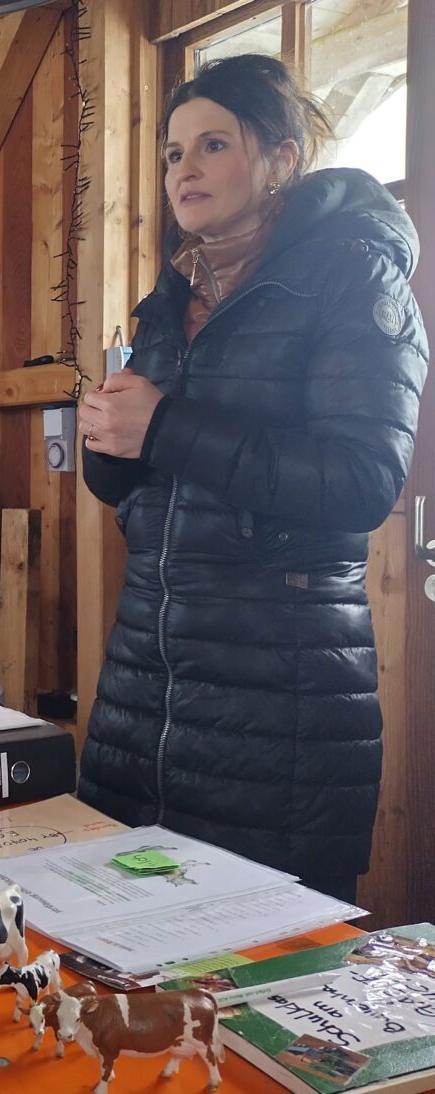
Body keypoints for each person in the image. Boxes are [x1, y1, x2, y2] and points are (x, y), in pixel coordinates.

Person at [75, 55, 427, 902]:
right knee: (116, 993)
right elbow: (138, 487)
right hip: (142, 699)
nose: (183, 170)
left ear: (280, 161)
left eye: (212, 144)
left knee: (256, 1008)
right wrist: (107, 441)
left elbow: (360, 481)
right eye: (170, 153)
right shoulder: (171, 297)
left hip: (283, 718)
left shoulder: (354, 281)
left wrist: (163, 423)